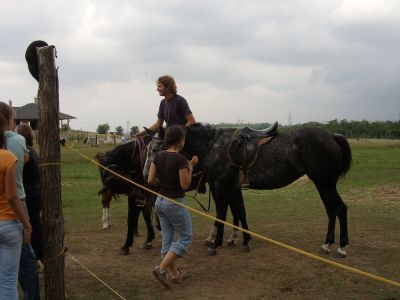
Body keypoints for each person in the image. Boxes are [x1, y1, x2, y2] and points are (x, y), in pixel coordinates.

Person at [147, 125, 198, 289]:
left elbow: (150, 180)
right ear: (180, 140)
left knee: (167, 239)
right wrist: (191, 167)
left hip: (160, 201)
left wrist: (163, 184)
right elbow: (185, 185)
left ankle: (175, 275)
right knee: (185, 238)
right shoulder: (181, 160)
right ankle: (161, 269)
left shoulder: (159, 156)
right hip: (174, 202)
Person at [0, 102, 40, 300]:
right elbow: (24, 160)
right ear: (8, 119)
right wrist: (27, 225)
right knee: (25, 258)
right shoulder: (17, 142)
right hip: (16, 206)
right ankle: (32, 295)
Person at [137, 75, 196, 179]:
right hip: (167, 137)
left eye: (159, 86)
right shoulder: (163, 103)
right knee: (152, 146)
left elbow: (191, 121)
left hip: (180, 137)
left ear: (168, 87)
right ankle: (150, 175)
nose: (157, 89)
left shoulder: (180, 101)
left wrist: (178, 134)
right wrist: (142, 133)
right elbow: (158, 124)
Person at [16, 125, 43, 266]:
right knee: (36, 227)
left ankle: (36, 259)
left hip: (30, 196)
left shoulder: (25, 154)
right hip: (36, 194)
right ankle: (40, 258)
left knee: (32, 229)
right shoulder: (32, 152)